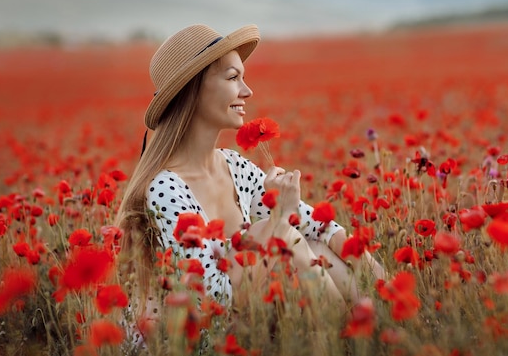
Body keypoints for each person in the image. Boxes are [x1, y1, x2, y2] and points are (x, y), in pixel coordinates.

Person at [116, 24, 385, 338]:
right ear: (193, 89)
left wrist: (375, 273)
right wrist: (279, 220)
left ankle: (374, 326)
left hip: (246, 320)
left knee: (313, 245)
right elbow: (210, 302)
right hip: (202, 337)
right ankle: (352, 337)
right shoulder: (166, 188)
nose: (247, 90)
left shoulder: (233, 165)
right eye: (233, 78)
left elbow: (315, 224)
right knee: (279, 236)